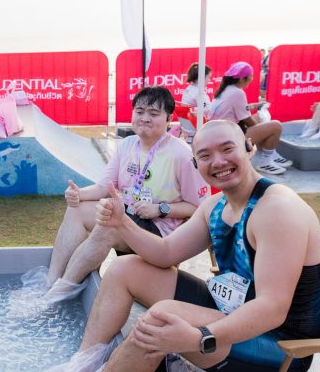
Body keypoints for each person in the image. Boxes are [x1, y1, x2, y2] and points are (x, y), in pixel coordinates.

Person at [23, 120, 320, 372]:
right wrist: (122, 223)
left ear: (249, 148)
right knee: (124, 268)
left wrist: (198, 338)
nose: (218, 162)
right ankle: (80, 368)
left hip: (280, 346)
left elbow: (272, 309)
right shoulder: (216, 206)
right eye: (205, 156)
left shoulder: (277, 210)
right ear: (196, 165)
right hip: (229, 311)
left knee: (161, 319)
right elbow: (166, 252)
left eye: (227, 149)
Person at [43, 87, 206, 304]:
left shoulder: (181, 154)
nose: (145, 118)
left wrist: (160, 209)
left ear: (168, 118)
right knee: (78, 209)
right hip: (130, 216)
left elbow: (199, 208)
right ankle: (50, 281)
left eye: (153, 113)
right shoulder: (128, 145)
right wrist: (78, 194)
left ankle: (59, 294)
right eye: (139, 112)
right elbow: (103, 187)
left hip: (160, 234)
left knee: (109, 225)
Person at [207, 61, 291, 176]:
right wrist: (264, 131)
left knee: (260, 119)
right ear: (242, 79)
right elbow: (248, 121)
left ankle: (268, 153)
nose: (252, 79)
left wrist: (255, 108)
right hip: (228, 139)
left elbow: (238, 110)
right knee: (276, 126)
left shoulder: (226, 89)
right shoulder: (238, 92)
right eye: (251, 76)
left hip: (219, 133)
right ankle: (266, 160)